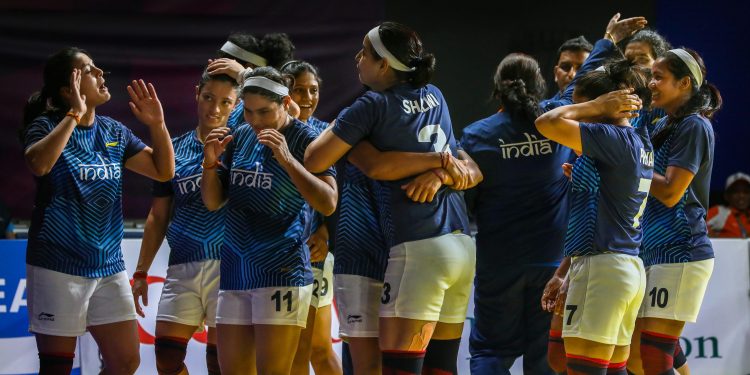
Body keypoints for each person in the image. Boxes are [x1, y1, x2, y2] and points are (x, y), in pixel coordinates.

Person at [304, 21, 481, 375]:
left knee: (399, 368)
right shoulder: (436, 95)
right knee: (442, 367)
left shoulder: (370, 106)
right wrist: (441, 168)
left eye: (365, 53)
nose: (357, 58)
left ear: (383, 64)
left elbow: (313, 159)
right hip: (461, 243)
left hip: (418, 247)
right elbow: (469, 167)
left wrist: (353, 140)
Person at [21, 47, 174, 374]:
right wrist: (74, 114)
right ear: (69, 89)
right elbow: (39, 164)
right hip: (57, 264)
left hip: (108, 266)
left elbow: (163, 171)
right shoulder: (45, 125)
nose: (102, 74)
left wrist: (158, 124)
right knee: (57, 367)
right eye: (90, 70)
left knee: (126, 361)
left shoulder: (113, 131)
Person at [200, 66, 337, 374]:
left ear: (285, 102)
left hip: (281, 270)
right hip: (236, 269)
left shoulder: (306, 138)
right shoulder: (240, 133)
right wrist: (209, 164)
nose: (256, 120)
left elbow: (328, 202)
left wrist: (287, 160)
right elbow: (212, 202)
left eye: (264, 111)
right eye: (248, 111)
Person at [535, 57, 653, 374]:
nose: (577, 118)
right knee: (589, 365)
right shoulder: (639, 140)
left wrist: (594, 106)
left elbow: (545, 122)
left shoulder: (612, 137)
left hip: (602, 267)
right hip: (624, 265)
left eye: (580, 108)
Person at [460, 52, 573, 374]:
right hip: (552, 263)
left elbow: (467, 199)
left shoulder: (476, 135)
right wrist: (608, 42)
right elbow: (582, 83)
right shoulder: (557, 126)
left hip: (499, 262)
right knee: (543, 360)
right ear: (540, 84)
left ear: (497, 88)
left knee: (490, 352)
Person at [131, 70, 240, 375]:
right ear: (196, 94)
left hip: (229, 266)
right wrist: (141, 271)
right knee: (166, 360)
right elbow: (158, 214)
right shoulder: (174, 149)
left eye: (225, 102)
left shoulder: (241, 146)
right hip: (183, 266)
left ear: (237, 105)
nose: (214, 108)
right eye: (208, 98)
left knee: (220, 364)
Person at [630, 47, 722, 375]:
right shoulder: (664, 125)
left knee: (655, 357)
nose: (651, 83)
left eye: (659, 77)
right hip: (655, 251)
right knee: (635, 359)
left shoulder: (694, 126)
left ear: (684, 83)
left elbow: (670, 192)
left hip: (682, 251)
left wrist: (631, 166)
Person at [280, 60, 343, 375]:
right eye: (298, 90)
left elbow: (341, 194)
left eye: (313, 90)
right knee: (296, 351)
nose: (306, 97)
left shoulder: (327, 134)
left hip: (314, 256)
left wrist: (326, 234)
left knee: (315, 348)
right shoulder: (265, 133)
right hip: (275, 256)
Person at [207, 32, 296, 128]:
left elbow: (294, 111)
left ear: (248, 67)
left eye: (224, 65)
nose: (216, 69)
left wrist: (244, 74)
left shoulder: (258, 101)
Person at [548, 36, 593, 101]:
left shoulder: (609, 109)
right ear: (555, 73)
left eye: (582, 69)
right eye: (565, 67)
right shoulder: (541, 110)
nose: (573, 75)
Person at [707, 172, 749, 238]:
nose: (741, 195)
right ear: (726, 196)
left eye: (746, 192)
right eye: (736, 192)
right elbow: (696, 227)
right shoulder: (719, 211)